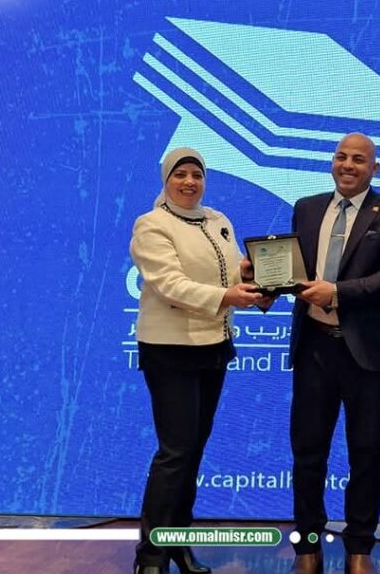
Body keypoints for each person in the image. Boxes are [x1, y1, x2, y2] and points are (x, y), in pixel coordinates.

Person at [130, 147, 268, 574]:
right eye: (181, 174)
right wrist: (227, 295)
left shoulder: (217, 220)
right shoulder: (152, 225)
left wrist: (253, 276)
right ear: (166, 179)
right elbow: (169, 284)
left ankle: (177, 545)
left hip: (213, 345)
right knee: (175, 453)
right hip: (170, 349)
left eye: (197, 175)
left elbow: (227, 273)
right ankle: (150, 556)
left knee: (192, 453)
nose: (189, 182)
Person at [285, 133, 380, 574]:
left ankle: (360, 547)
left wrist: (337, 292)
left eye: (359, 159)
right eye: (341, 156)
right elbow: (292, 272)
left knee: (366, 451)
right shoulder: (306, 208)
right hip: (313, 347)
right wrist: (262, 279)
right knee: (307, 453)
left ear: (374, 169)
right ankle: (307, 547)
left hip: (366, 352)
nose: (348, 165)